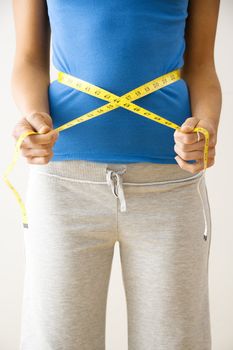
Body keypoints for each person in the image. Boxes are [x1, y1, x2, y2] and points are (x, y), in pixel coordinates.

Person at [11, 0, 221, 349]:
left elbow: (201, 65)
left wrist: (207, 127)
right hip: (63, 184)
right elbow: (29, 59)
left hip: (170, 183)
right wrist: (33, 116)